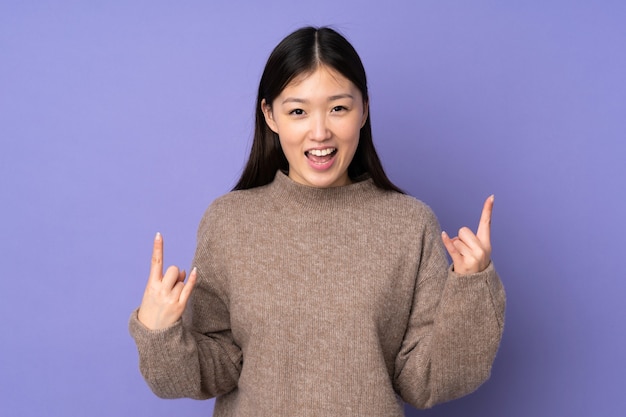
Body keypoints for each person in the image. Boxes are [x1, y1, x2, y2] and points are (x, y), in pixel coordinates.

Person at [129, 26, 505, 417]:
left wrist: (471, 291)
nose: (320, 131)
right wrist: (159, 334)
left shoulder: (410, 224)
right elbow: (215, 371)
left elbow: (424, 381)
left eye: (338, 108)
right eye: (298, 111)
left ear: (364, 110)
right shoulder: (229, 222)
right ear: (270, 115)